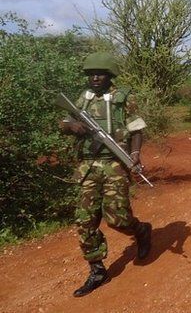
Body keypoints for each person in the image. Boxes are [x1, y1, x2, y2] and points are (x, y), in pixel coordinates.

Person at [60, 52, 152, 297]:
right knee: (84, 220)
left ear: (110, 75)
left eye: (100, 74)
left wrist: (134, 154)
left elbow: (136, 129)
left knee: (117, 218)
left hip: (114, 164)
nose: (95, 78)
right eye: (91, 74)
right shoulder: (83, 98)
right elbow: (64, 123)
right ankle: (97, 269)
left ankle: (141, 231)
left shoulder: (123, 98)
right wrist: (73, 127)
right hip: (87, 167)